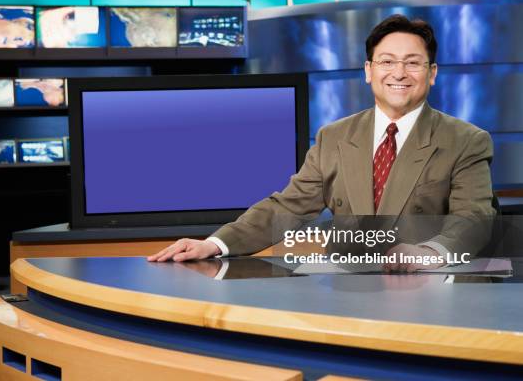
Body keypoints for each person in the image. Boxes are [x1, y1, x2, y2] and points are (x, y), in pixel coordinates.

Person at [148, 14, 495, 272]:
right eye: (387, 62)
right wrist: (215, 243)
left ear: (431, 73)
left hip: (425, 292)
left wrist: (431, 252)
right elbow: (288, 207)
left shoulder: (466, 141)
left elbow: (475, 219)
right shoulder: (334, 136)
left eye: (413, 63)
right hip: (345, 293)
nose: (399, 73)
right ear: (368, 71)